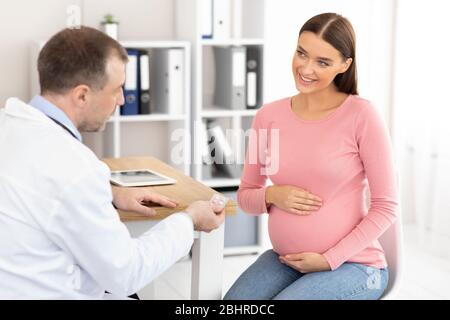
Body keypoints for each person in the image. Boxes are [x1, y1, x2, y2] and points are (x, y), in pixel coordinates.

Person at [0, 26, 225, 299]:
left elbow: (41, 186)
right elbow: (126, 273)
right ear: (82, 95)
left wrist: (111, 193)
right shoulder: (75, 169)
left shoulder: (10, 124)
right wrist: (189, 220)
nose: (121, 100)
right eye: (117, 89)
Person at [224, 13, 398, 300]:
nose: (305, 68)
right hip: (287, 260)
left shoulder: (362, 115)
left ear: (345, 65)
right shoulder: (268, 116)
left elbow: (386, 206)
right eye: (301, 53)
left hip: (355, 266)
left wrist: (330, 258)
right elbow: (246, 196)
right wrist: (273, 195)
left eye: (323, 62)